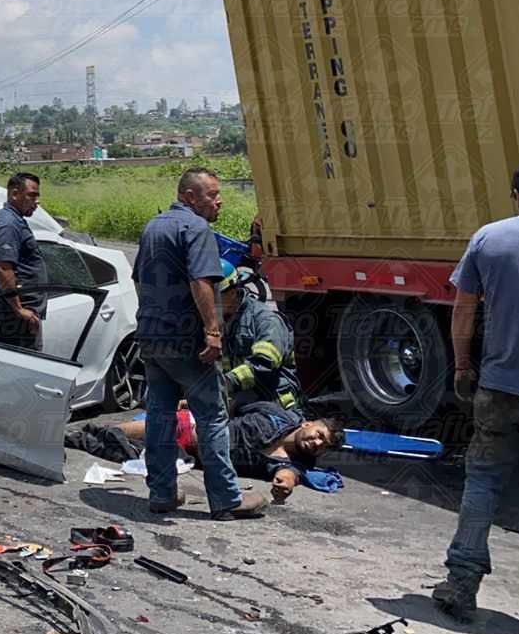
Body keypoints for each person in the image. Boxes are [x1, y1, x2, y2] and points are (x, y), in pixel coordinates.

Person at [432, 159, 519, 630]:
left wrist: (462, 366)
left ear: (517, 195)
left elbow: (462, 311)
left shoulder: (489, 237)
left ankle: (461, 585)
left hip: (499, 386)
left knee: (482, 481)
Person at [131, 168, 268, 520]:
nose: (218, 200)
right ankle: (226, 499)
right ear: (190, 197)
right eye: (211, 194)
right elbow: (202, 283)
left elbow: (139, 280)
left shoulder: (154, 226)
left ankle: (161, 493)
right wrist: (212, 330)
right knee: (212, 416)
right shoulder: (195, 228)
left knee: (159, 415)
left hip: (151, 335)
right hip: (185, 339)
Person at [74, 404, 344, 504]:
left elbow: (288, 475)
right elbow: (234, 403)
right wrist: (195, 401)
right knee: (112, 432)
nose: (316, 443)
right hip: (191, 427)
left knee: (120, 451)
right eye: (319, 434)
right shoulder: (275, 414)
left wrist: (285, 484)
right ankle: (85, 430)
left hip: (193, 457)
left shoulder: (295, 463)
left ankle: (81, 436)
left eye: (323, 446)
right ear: (309, 423)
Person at [216, 260, 302, 412]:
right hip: (243, 404)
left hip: (275, 408)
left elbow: (264, 364)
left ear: (233, 291)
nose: (207, 303)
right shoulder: (223, 321)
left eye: (214, 297)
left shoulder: (266, 320)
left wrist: (226, 382)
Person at [0, 172, 47, 349]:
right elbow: (3, 268)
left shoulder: (13, 219)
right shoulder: (8, 224)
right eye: (31, 195)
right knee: (24, 369)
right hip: (13, 315)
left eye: (37, 196)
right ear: (14, 194)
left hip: (16, 312)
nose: (37, 202)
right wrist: (19, 309)